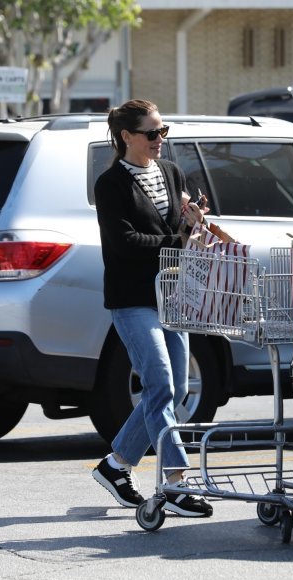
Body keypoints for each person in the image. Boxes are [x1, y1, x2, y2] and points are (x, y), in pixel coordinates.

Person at [92, 99, 212, 518]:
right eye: (151, 133)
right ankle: (176, 483)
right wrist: (176, 243)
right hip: (132, 299)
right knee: (159, 384)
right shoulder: (111, 185)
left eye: (164, 132)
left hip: (172, 295)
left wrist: (191, 223)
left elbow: (174, 230)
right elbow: (123, 243)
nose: (160, 140)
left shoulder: (170, 173)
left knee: (176, 391)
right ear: (127, 137)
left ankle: (116, 464)